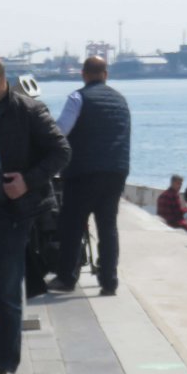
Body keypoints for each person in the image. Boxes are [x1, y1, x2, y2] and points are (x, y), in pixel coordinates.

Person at [0, 53, 70, 374]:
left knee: (9, 292)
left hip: (13, 214)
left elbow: (60, 151)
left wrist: (27, 180)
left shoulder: (28, 111)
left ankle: (6, 365)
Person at [50, 56, 131, 296]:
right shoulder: (121, 100)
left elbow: (60, 131)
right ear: (105, 74)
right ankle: (109, 281)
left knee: (72, 224)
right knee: (108, 227)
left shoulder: (78, 98)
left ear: (83, 74)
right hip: (116, 170)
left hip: (83, 172)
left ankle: (67, 277)